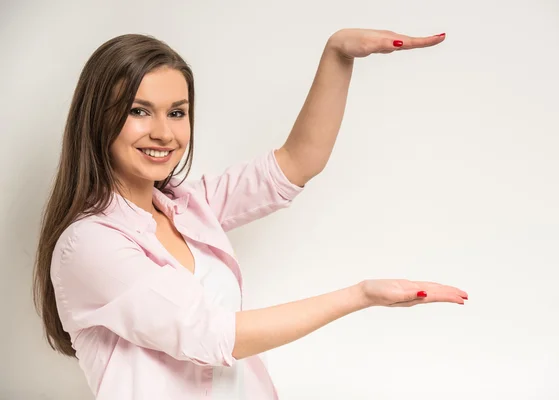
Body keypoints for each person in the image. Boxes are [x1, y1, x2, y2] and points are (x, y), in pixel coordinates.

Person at [32, 29, 468, 400]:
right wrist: (361, 296)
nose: (163, 132)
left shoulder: (188, 205)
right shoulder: (87, 244)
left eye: (177, 112)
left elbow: (297, 162)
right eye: (138, 111)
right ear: (97, 118)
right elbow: (212, 336)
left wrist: (338, 54)